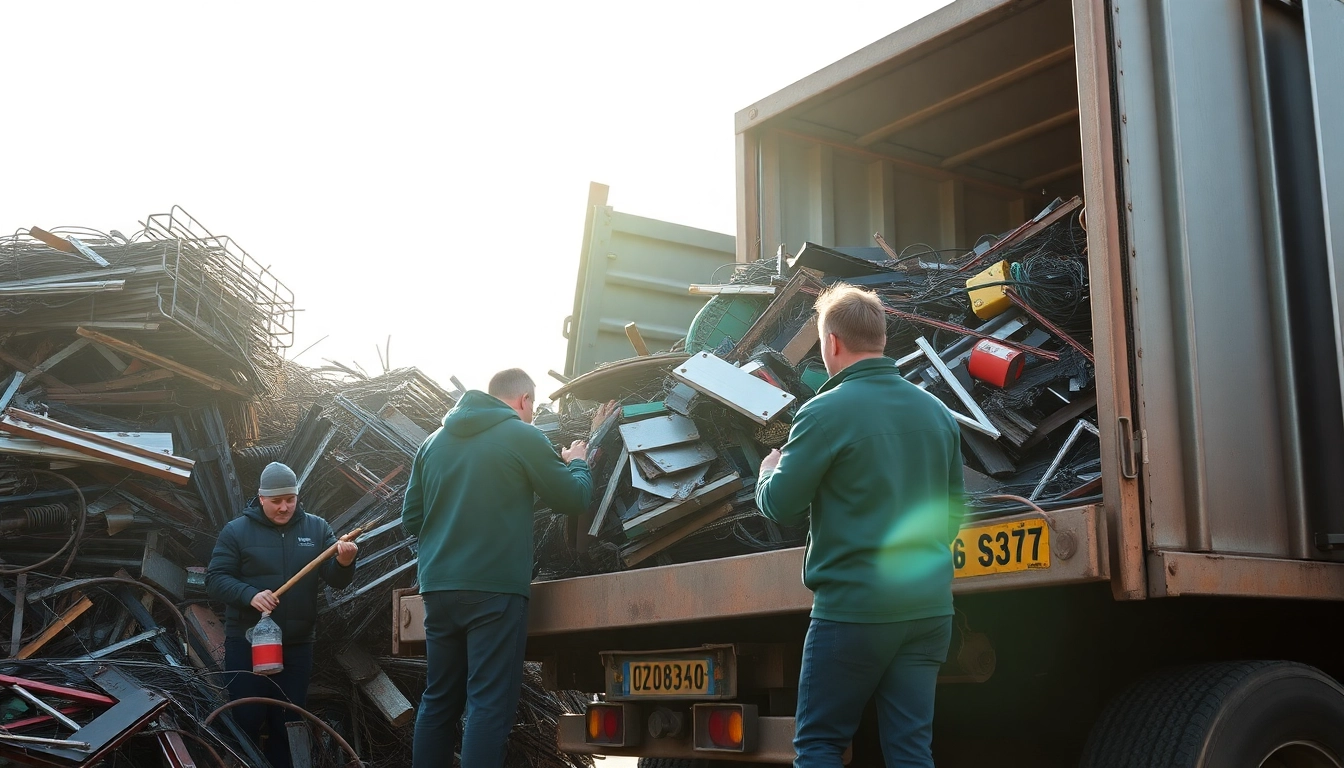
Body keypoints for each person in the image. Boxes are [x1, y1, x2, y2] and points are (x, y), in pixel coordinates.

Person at [756, 285, 964, 767]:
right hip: (929, 610)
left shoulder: (823, 413)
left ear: (831, 343)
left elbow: (782, 505)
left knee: (820, 746)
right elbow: (953, 513)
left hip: (853, 613)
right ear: (881, 338)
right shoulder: (936, 411)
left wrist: (768, 473)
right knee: (911, 749)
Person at [403, 368, 604, 768]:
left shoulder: (432, 442)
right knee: (488, 704)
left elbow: (412, 519)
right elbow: (573, 499)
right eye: (532, 405)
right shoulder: (522, 435)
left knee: (439, 700)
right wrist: (578, 463)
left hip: (438, 590)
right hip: (494, 592)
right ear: (524, 400)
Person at [207, 461, 358, 768]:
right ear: (261, 498)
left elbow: (336, 579)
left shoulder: (317, 529)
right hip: (248, 644)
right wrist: (249, 594)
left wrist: (344, 562)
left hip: (296, 645)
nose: (285, 507)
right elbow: (216, 579)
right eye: (276, 501)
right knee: (246, 719)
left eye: (290, 499)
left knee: (288, 723)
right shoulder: (236, 531)